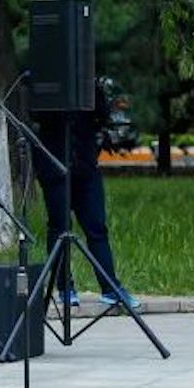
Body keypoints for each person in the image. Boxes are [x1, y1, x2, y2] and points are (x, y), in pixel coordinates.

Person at [32, 105, 136, 309]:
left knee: (97, 227)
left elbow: (102, 113)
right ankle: (65, 287)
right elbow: (37, 113)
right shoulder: (48, 83)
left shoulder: (86, 79)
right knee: (60, 226)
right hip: (54, 162)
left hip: (86, 164)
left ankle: (110, 288)